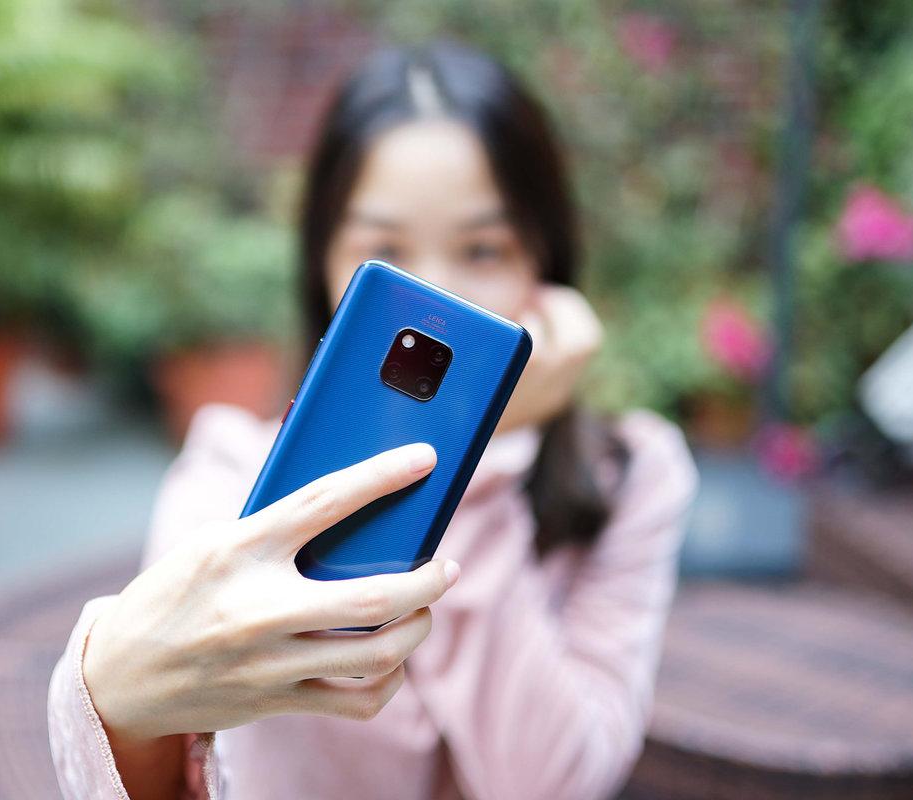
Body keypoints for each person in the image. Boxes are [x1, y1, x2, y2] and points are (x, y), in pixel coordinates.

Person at [48, 40, 698, 800]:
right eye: (384, 251)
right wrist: (114, 698)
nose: (439, 294)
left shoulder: (633, 473)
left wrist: (477, 463)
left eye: (484, 249)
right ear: (324, 270)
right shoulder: (228, 480)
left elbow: (554, 783)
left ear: (546, 269)